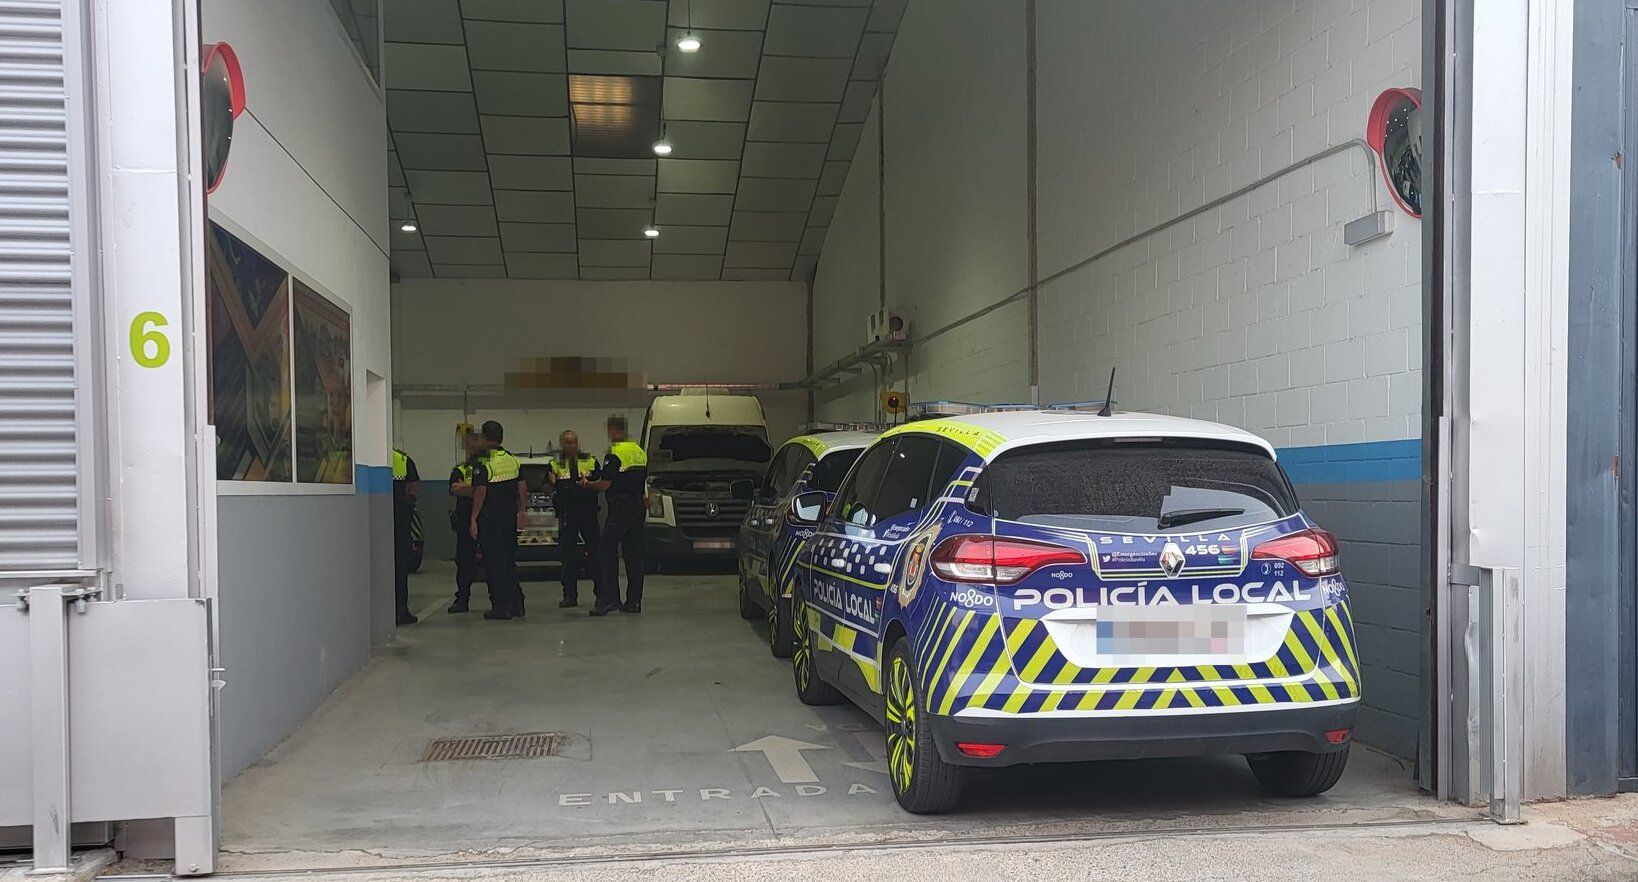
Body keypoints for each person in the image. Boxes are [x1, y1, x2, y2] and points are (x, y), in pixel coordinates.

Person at [586, 414, 647, 616]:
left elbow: (605, 484)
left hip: (620, 508)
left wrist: (587, 484)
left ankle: (609, 599)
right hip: (638, 507)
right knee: (634, 555)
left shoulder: (614, 453)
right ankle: (634, 602)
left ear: (613, 430)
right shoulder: (639, 451)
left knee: (606, 550)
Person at [469, 420, 527, 620]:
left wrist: (474, 517)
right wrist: (522, 511)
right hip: (509, 517)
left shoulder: (482, 461)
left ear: (485, 438)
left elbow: (481, 491)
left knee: (494, 563)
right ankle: (517, 604)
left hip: (490, 519)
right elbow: (522, 487)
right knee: (509, 561)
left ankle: (501, 606)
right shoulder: (512, 459)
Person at [547, 429, 602, 608]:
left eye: (574, 442)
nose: (571, 445)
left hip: (587, 513)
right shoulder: (555, 464)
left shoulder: (591, 461)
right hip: (567, 515)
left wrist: (590, 483)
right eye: (568, 442)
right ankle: (569, 595)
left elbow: (601, 483)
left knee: (595, 554)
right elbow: (546, 487)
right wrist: (551, 482)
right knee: (568, 557)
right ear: (562, 444)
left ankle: (601, 594)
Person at [446, 430, 481, 614]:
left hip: (487, 519)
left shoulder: (486, 466)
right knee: (464, 561)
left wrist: (468, 488)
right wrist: (475, 489)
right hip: (465, 520)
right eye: (470, 443)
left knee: (494, 561)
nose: (473, 446)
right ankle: (462, 600)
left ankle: (502, 601)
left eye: (476, 442)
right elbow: (454, 489)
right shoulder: (460, 469)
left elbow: (486, 489)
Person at [391, 447, 420, 626]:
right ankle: (400, 610)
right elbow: (414, 490)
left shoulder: (369, 453)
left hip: (375, 525)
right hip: (400, 523)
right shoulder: (403, 460)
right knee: (400, 569)